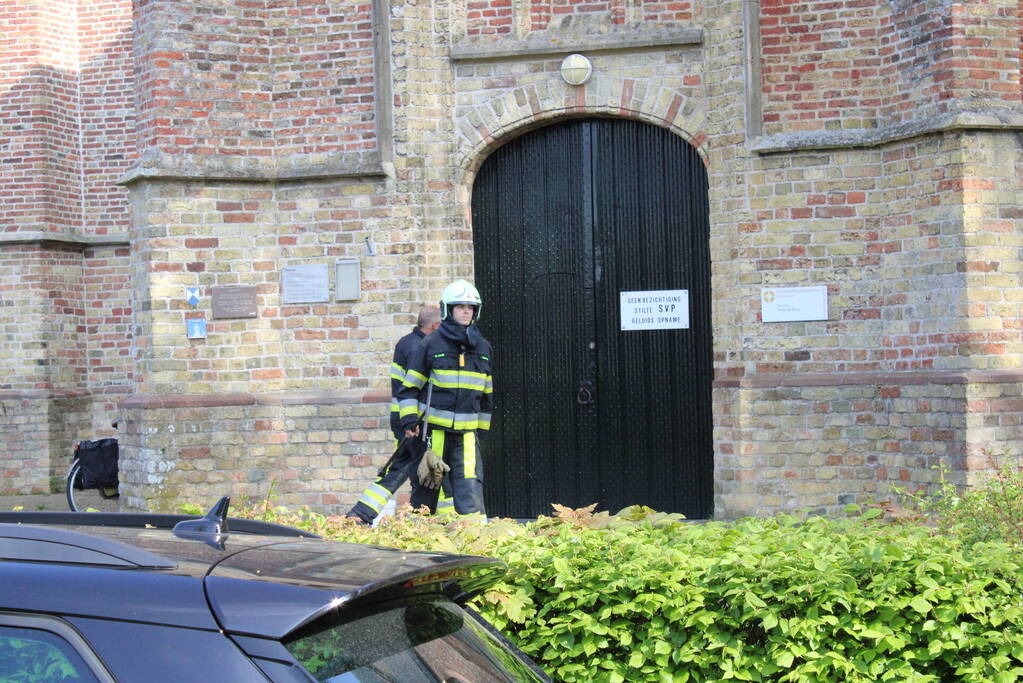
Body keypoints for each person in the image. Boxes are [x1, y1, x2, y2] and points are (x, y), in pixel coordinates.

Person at [396, 280, 493, 521]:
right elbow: (409, 388)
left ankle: (475, 546)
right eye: (460, 306)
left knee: (470, 493)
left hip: (467, 436)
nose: (466, 311)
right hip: (434, 434)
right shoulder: (431, 343)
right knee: (426, 493)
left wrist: (480, 433)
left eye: (470, 307)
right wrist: (409, 421)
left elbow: (487, 396)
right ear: (448, 309)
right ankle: (419, 544)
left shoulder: (483, 347)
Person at [346, 304, 441, 524]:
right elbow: (417, 388)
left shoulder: (406, 343)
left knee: (407, 467)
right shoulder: (422, 347)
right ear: (435, 325)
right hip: (414, 421)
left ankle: (362, 514)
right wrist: (412, 423)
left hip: (403, 418)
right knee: (414, 469)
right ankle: (416, 517)